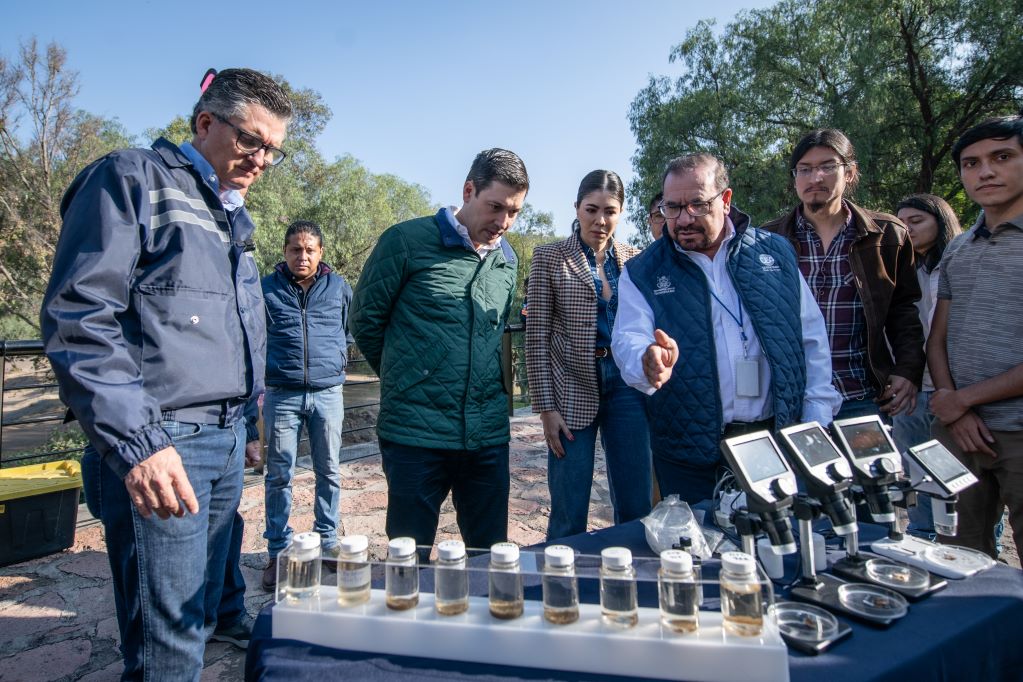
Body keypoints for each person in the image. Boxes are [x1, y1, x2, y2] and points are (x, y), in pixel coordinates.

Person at [40, 68, 292, 680]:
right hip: (162, 445)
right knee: (168, 644)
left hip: (225, 440)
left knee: (196, 618)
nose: (261, 160)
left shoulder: (233, 216)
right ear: (206, 123)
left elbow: (233, 329)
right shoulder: (131, 178)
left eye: (273, 152)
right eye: (251, 141)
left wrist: (248, 423)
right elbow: (80, 316)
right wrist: (139, 445)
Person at [612, 153, 841, 504]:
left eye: (697, 205)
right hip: (690, 451)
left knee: (774, 547)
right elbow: (629, 336)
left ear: (726, 199)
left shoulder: (775, 254)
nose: (684, 218)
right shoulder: (642, 271)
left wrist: (815, 418)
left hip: (776, 442)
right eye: (672, 208)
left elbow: (811, 339)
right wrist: (647, 359)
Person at [350, 149, 527, 551]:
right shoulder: (406, 242)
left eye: (514, 211)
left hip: (486, 436)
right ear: (469, 191)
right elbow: (365, 322)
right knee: (409, 557)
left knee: (490, 555)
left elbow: (495, 333)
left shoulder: (507, 261)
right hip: (415, 434)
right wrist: (411, 376)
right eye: (495, 206)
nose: (503, 222)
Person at [762, 129, 925, 421]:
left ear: (849, 172)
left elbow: (904, 312)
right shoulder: (767, 240)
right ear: (794, 177)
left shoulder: (887, 234)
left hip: (860, 395)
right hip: (790, 398)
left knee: (867, 469)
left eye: (828, 166)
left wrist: (908, 370)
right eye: (805, 169)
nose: (816, 178)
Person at [526, 170, 652, 540]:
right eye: (591, 209)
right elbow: (536, 339)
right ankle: (562, 587)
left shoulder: (635, 259)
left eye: (610, 211)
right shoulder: (550, 257)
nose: (600, 220)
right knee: (569, 504)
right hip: (572, 387)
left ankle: (632, 579)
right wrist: (546, 408)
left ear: (621, 212)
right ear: (577, 208)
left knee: (635, 502)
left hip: (627, 386)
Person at [927, 115, 1023, 558]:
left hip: (1017, 431)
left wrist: (962, 400)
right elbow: (938, 338)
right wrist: (952, 403)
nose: (985, 172)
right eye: (971, 163)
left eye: (1002, 157)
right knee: (956, 554)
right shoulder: (958, 247)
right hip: (958, 431)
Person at [260, 220, 353, 591]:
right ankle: (278, 551)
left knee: (329, 470)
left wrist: (334, 365)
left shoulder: (339, 287)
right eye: (296, 249)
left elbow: (346, 330)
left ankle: (328, 543)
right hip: (281, 394)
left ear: (321, 253)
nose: (303, 256)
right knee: (279, 474)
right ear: (284, 252)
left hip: (328, 393)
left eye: (310, 249)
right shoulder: (264, 289)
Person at [889, 195, 962, 534]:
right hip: (914, 389)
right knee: (919, 472)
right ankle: (923, 538)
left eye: (916, 221)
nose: (907, 229)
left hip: (961, 391)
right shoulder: (899, 270)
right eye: (901, 222)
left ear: (941, 221)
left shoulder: (961, 263)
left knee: (962, 481)